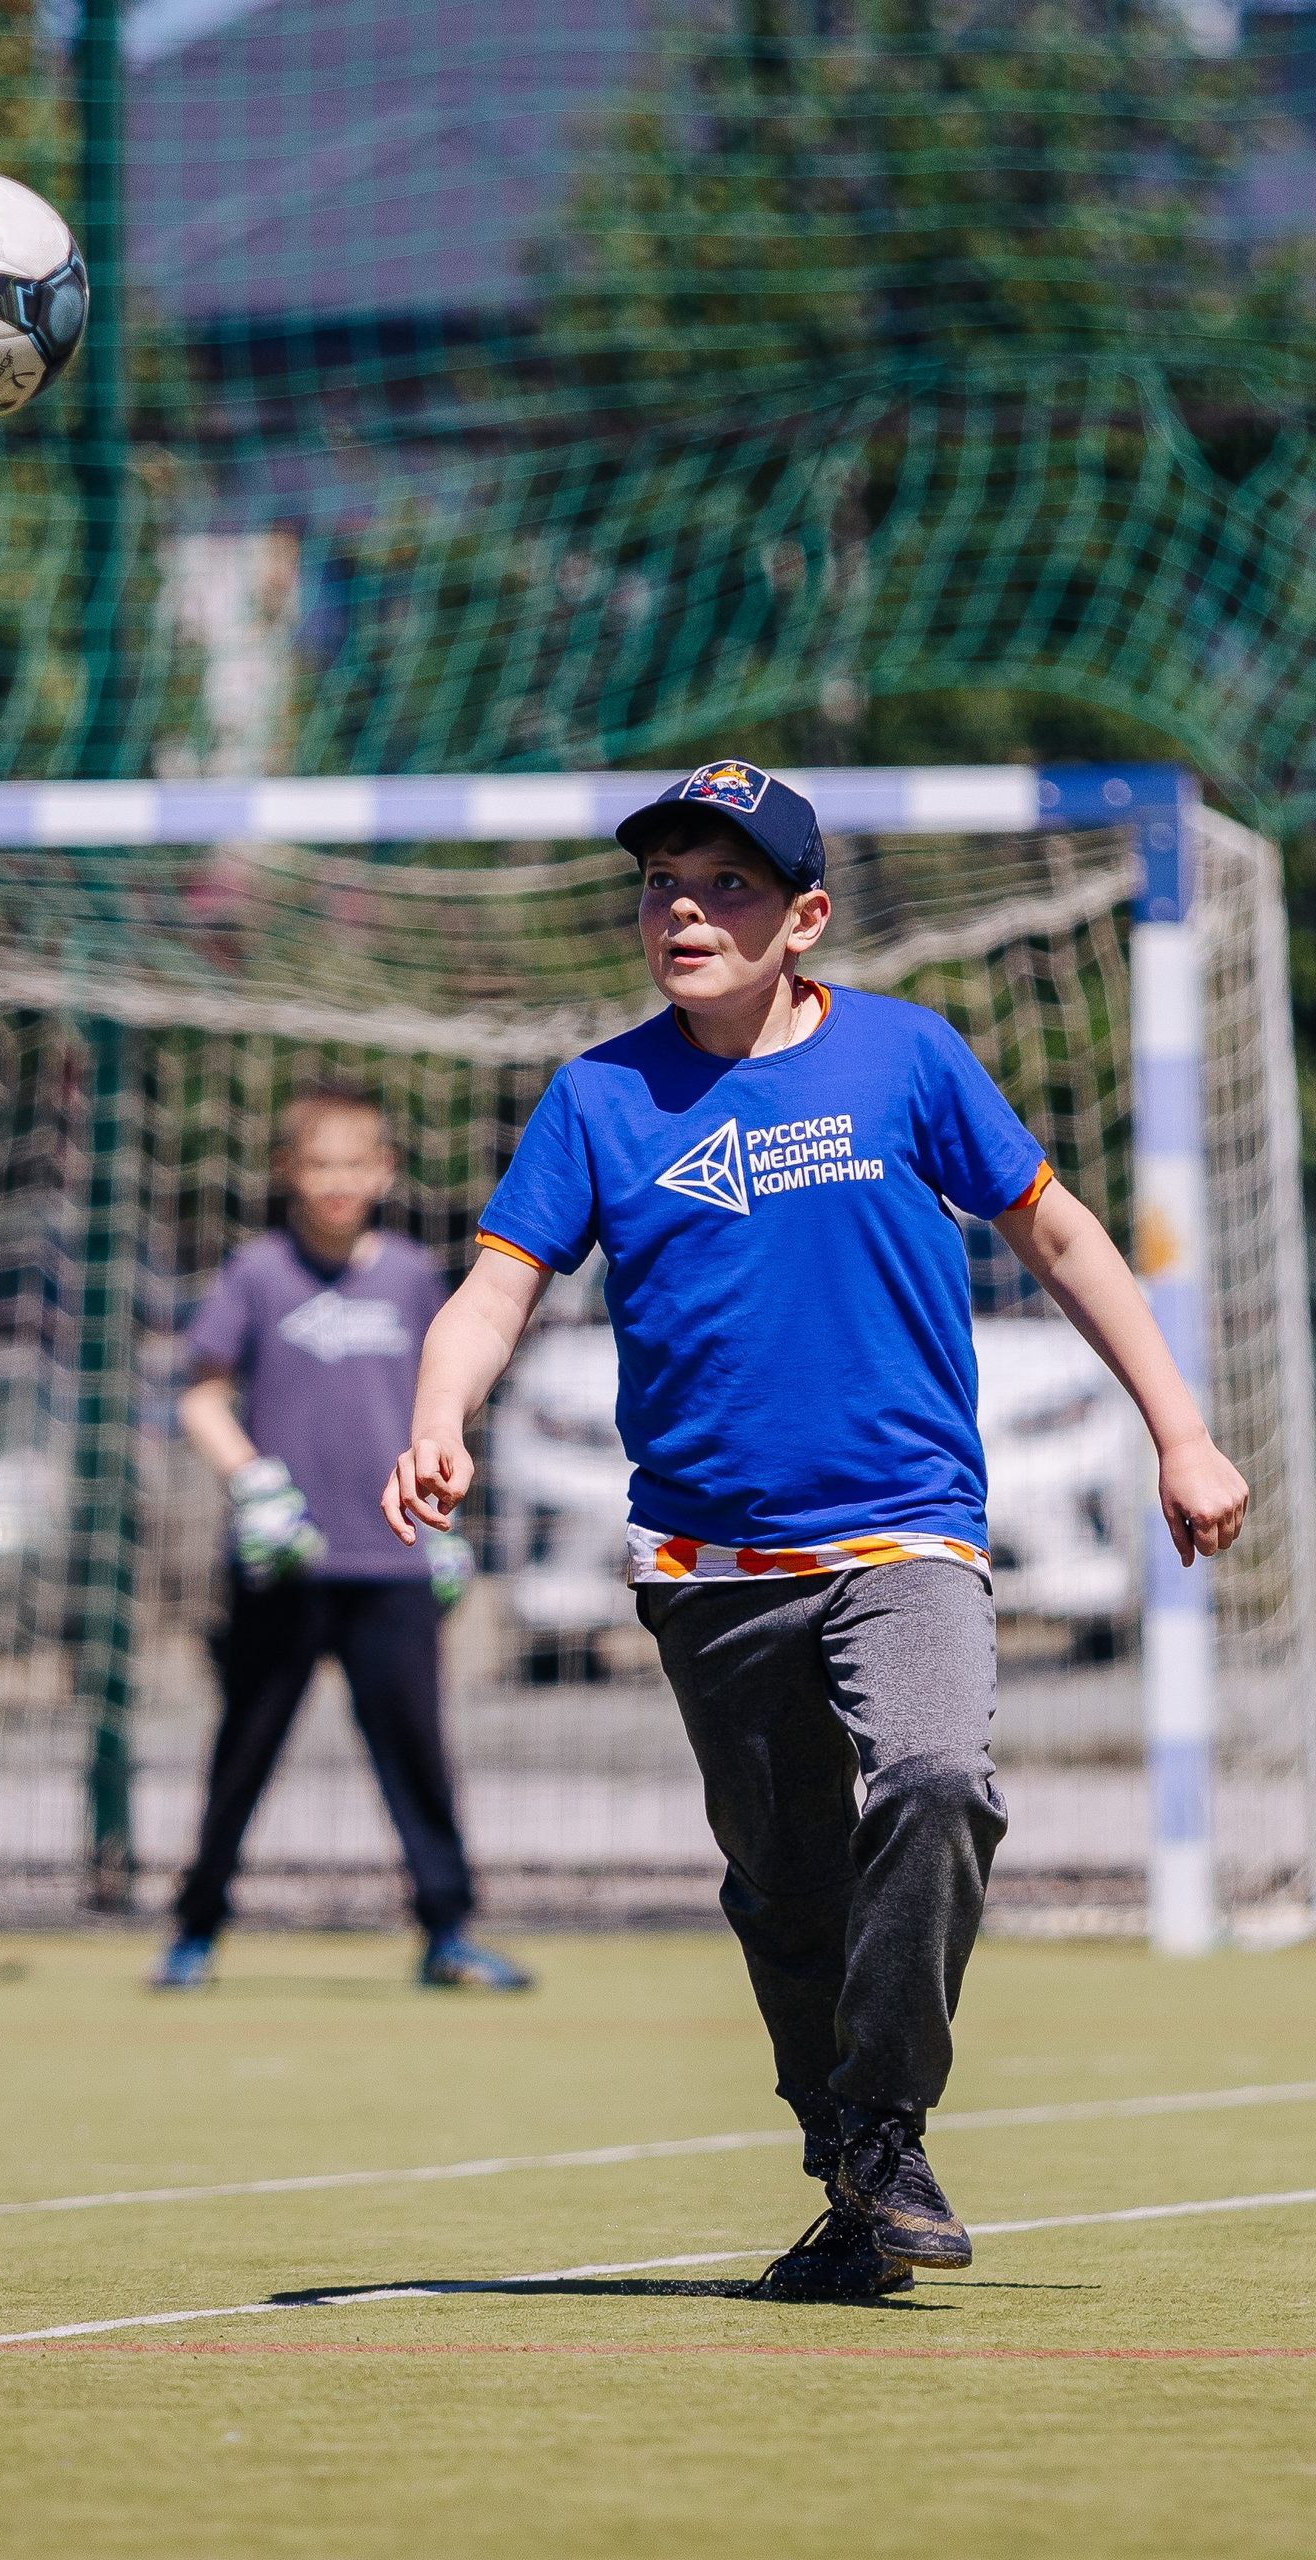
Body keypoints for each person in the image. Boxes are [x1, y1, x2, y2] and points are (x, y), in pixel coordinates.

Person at [382, 758, 1249, 2300]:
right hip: (709, 1574)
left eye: (725, 887)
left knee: (931, 1779)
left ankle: (885, 2119)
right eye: (662, 885)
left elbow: (1058, 1230)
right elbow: (497, 1289)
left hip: (907, 1537)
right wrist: (439, 1417)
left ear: (807, 918)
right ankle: (852, 2177)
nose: (685, 911)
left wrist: (1178, 1430)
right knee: (785, 1888)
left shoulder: (911, 1059)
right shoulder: (596, 1097)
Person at [155, 1080, 532, 1995]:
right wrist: (252, 1482)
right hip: (283, 1566)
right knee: (243, 1750)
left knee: (418, 1755)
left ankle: (447, 1931)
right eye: (318, 1163)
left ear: (384, 1171)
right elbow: (200, 1395)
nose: (336, 1181)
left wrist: (443, 1520)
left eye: (354, 1164)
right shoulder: (255, 1274)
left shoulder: (409, 1274)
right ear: (288, 1170)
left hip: (393, 1561)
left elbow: (443, 1397)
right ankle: (196, 1931)